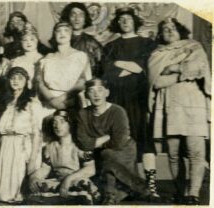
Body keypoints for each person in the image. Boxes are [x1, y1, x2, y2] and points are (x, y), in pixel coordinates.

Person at [148, 18, 211, 205]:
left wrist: (172, 68)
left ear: (181, 30)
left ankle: (193, 194)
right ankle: (179, 191)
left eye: (173, 28)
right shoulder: (157, 53)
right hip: (169, 107)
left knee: (196, 153)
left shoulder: (194, 46)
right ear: (160, 34)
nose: (169, 31)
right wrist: (183, 73)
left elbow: (199, 68)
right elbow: (156, 81)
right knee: (173, 154)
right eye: (165, 29)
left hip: (193, 105)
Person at [101, 8, 158, 197]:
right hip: (117, 100)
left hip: (138, 99)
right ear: (117, 23)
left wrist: (118, 64)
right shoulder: (110, 46)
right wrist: (132, 67)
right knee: (121, 141)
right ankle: (129, 185)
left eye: (129, 18)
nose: (125, 21)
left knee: (143, 138)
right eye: (121, 19)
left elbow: (145, 67)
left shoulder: (147, 43)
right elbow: (108, 74)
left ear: (135, 22)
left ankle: (150, 186)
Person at [74, 78, 159, 205]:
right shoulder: (83, 114)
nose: (96, 94)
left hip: (125, 149)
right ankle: (140, 189)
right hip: (102, 153)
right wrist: (107, 137)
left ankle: (111, 195)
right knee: (106, 155)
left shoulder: (118, 111)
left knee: (107, 155)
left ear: (107, 93)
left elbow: (119, 141)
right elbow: (83, 143)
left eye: (100, 90)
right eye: (91, 91)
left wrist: (96, 143)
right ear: (86, 95)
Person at [27, 110, 99, 205]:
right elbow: (45, 168)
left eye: (62, 121)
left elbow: (91, 169)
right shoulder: (50, 147)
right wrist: (34, 177)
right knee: (37, 186)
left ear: (70, 124)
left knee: (83, 184)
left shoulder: (81, 145)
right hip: (58, 181)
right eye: (54, 122)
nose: (57, 126)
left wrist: (68, 179)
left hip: (75, 180)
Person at [0, 67, 42, 203]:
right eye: (13, 78)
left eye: (20, 78)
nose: (16, 81)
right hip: (5, 145)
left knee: (17, 192)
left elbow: (37, 132)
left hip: (20, 144)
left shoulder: (32, 102)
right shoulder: (6, 102)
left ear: (26, 81)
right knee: (1, 196)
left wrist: (32, 158)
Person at [37, 21, 92, 114]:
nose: (62, 33)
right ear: (54, 35)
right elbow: (40, 83)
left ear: (71, 34)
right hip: (49, 103)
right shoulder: (46, 58)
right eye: (58, 31)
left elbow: (83, 82)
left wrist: (61, 100)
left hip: (73, 101)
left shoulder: (80, 56)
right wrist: (52, 100)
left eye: (66, 30)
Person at [59, 3, 103, 77]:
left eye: (81, 15)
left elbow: (100, 70)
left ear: (85, 19)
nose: (77, 18)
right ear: (68, 18)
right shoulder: (60, 40)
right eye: (73, 15)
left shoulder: (93, 43)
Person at [10, 24, 43, 89]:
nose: (28, 42)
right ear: (21, 42)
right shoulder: (16, 61)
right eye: (25, 40)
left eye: (32, 39)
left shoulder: (44, 59)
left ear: (37, 40)